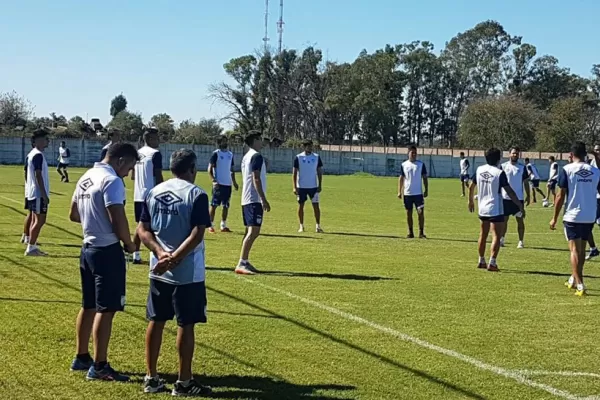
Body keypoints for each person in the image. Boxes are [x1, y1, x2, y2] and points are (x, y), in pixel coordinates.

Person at [137, 149, 213, 396]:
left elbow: (142, 229)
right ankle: (183, 381)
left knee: (156, 321)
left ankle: (151, 377)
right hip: (187, 272)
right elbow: (197, 233)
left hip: (158, 270)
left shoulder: (154, 192)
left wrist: (161, 254)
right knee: (186, 324)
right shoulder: (196, 194)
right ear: (192, 168)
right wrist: (175, 258)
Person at [68, 142, 138, 381]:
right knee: (106, 309)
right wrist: (129, 244)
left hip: (87, 248)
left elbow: (74, 214)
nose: (128, 173)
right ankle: (99, 365)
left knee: (88, 305)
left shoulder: (86, 176)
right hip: (107, 251)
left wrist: (93, 221)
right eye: (129, 167)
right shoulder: (112, 181)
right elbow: (117, 216)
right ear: (120, 160)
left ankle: (81, 356)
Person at [550, 141, 600, 296]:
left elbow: (560, 195)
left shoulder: (567, 169)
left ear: (571, 155)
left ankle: (580, 284)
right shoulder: (595, 171)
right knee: (582, 249)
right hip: (589, 215)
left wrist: (554, 218)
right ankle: (574, 278)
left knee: (574, 250)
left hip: (573, 215)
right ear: (585, 155)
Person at [468, 148, 524, 271]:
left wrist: (471, 201)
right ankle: (492, 262)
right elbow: (509, 191)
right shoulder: (499, 173)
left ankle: (481, 260)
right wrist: (519, 204)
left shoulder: (479, 170)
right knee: (496, 236)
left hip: (482, 208)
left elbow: (471, 186)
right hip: (495, 208)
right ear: (498, 159)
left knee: (483, 234)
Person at [236, 131, 270, 275]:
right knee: (254, 231)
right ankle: (242, 263)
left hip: (246, 198)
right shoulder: (256, 156)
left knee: (249, 231)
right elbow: (256, 178)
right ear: (255, 140)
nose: (262, 142)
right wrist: (263, 199)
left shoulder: (246, 156)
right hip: (253, 199)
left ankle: (244, 260)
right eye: (260, 139)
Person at [132, 129, 164, 264]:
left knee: (141, 225)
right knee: (151, 227)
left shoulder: (138, 153)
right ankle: (157, 255)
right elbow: (158, 175)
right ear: (150, 139)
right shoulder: (155, 154)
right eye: (157, 138)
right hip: (151, 195)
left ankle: (136, 254)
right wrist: (163, 191)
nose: (159, 141)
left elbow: (133, 176)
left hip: (138, 194)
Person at [25, 129, 50, 256]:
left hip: (33, 192)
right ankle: (31, 247)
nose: (48, 141)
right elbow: (38, 174)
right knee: (40, 220)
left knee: (36, 219)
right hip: (38, 194)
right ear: (38, 140)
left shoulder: (31, 154)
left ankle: (31, 244)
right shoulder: (37, 155)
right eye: (45, 139)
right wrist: (44, 194)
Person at [499, 147, 530, 249]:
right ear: (509, 154)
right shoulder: (503, 166)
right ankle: (502, 239)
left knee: (520, 221)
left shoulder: (522, 168)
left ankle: (521, 241)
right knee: (504, 221)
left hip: (518, 199)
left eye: (517, 154)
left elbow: (525, 182)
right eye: (513, 153)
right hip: (505, 198)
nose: (515, 155)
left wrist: (528, 195)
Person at [208, 135, 238, 233]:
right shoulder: (216, 153)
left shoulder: (230, 154)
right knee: (214, 205)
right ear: (219, 142)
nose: (226, 143)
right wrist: (214, 180)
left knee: (226, 205)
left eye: (226, 141)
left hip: (227, 184)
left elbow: (232, 169)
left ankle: (223, 225)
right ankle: (210, 225)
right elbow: (209, 169)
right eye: (223, 141)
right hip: (219, 184)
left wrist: (234, 182)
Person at [293, 139, 324, 233]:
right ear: (304, 147)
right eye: (308, 146)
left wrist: (320, 185)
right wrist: (294, 187)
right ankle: (301, 226)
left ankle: (318, 226)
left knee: (316, 206)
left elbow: (319, 172)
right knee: (301, 206)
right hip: (301, 187)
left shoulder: (316, 157)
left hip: (313, 187)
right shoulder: (298, 157)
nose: (310, 147)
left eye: (311, 146)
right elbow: (294, 173)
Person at [398, 146, 428, 238]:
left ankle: (421, 232)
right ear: (408, 153)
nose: (414, 154)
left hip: (418, 194)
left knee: (420, 213)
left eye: (415, 153)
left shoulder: (421, 164)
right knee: (408, 213)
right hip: (407, 194)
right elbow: (401, 178)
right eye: (412, 152)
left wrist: (426, 189)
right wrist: (399, 191)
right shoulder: (404, 165)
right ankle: (410, 232)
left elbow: (425, 177)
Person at [586, 145, 600, 260]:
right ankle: (593, 249)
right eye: (596, 150)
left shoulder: (597, 162)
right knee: (587, 225)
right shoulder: (590, 162)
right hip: (593, 197)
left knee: (588, 225)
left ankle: (593, 249)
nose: (597, 152)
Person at [21, 142, 34, 245]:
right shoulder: (32, 156)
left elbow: (25, 172)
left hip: (29, 189)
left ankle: (25, 235)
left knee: (31, 213)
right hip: (31, 190)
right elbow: (26, 172)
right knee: (32, 214)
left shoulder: (29, 156)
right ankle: (27, 237)